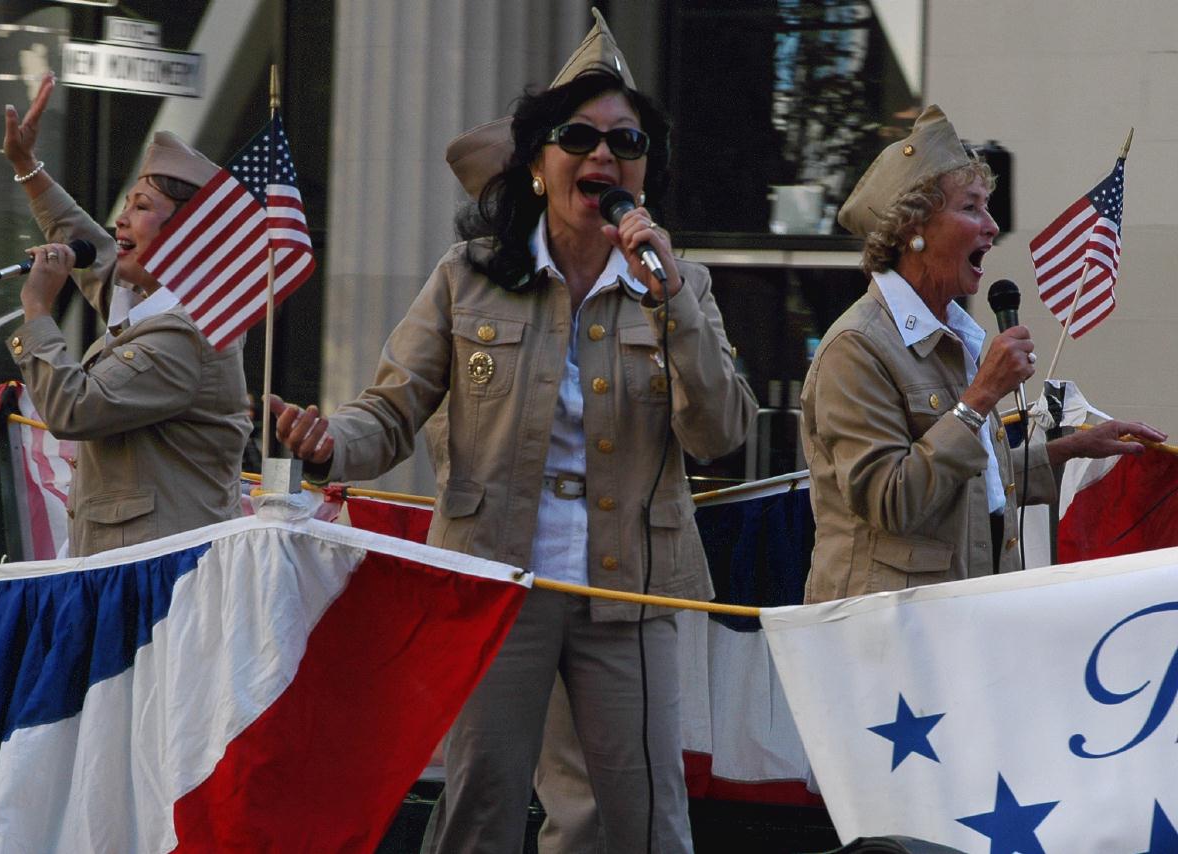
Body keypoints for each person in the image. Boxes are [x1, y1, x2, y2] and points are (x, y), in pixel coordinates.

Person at [270, 10, 756, 850]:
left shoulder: (682, 286)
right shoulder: (468, 280)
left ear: (646, 173)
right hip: (495, 579)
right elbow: (391, 408)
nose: (604, 156)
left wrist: (671, 297)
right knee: (483, 805)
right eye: (580, 136)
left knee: (639, 822)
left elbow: (721, 434)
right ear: (538, 162)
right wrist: (328, 444)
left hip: (628, 591)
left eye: (627, 143)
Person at [800, 105, 1166, 602]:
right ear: (914, 230)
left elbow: (973, 482)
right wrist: (979, 398)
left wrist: (1069, 452)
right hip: (888, 635)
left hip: (962, 618)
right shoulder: (857, 347)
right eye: (971, 208)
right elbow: (891, 500)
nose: (992, 227)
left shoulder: (957, 335)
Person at [2, 73, 251, 557]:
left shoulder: (185, 335)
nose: (122, 218)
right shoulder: (147, 303)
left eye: (141, 207)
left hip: (161, 580)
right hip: (127, 570)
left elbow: (73, 409)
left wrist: (36, 309)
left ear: (186, 236)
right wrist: (26, 165)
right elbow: (89, 245)